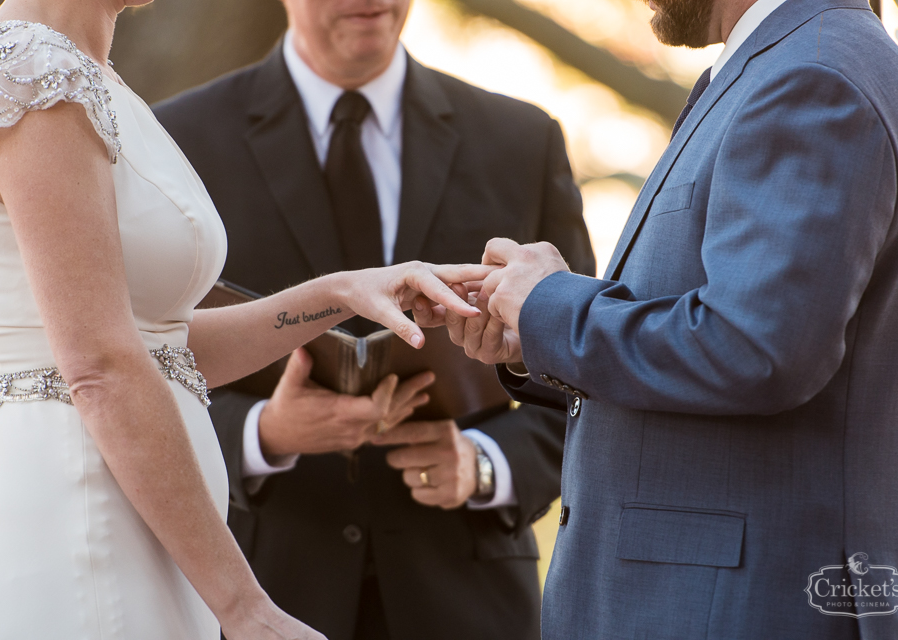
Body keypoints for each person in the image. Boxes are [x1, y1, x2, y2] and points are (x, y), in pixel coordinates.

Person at [429, 0, 898, 637]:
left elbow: (756, 351)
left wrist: (555, 305)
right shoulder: (791, 63)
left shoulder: (815, 76)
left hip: (742, 608)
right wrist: (537, 331)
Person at [0, 1, 488, 639]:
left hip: (148, 519)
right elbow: (101, 369)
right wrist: (244, 606)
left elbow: (161, 347)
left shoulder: (93, 75)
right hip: (83, 502)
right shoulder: (30, 71)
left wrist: (344, 292)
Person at [153, 1, 595, 639]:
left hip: (467, 602)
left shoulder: (521, 139)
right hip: (264, 593)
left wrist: (485, 464)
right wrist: (262, 434)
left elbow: (584, 373)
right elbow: (138, 363)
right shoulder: (180, 137)